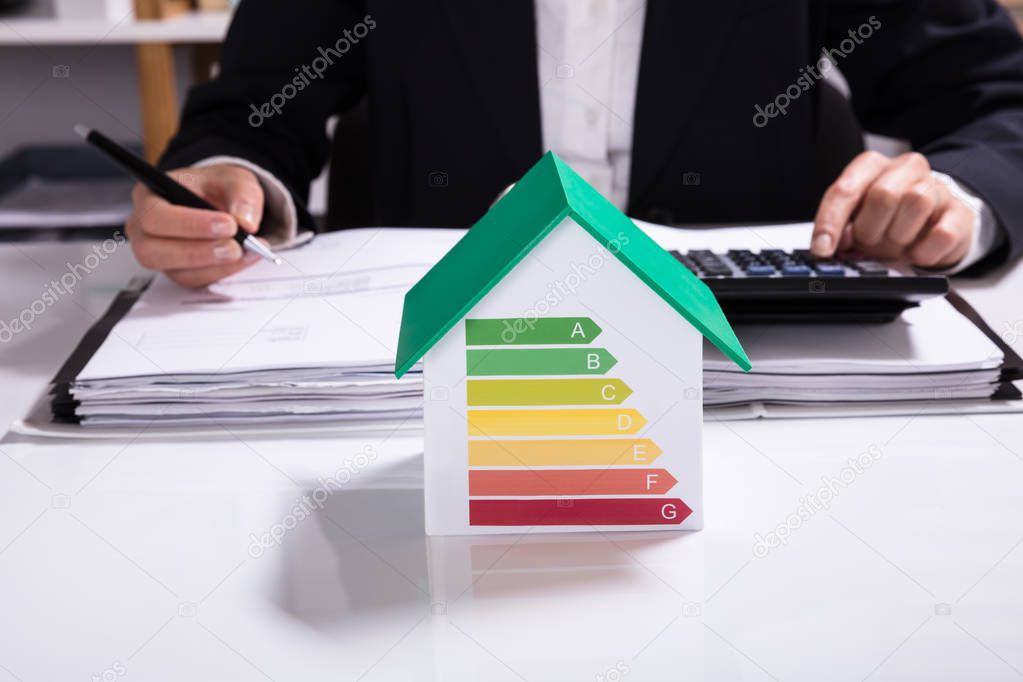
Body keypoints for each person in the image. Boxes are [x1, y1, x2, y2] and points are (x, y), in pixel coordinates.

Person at [125, 0, 1023, 288]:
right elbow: (248, 115)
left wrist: (957, 199)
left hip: (756, 379)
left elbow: (999, 104)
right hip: (436, 382)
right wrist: (225, 182)